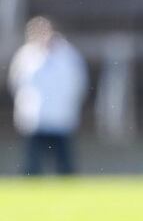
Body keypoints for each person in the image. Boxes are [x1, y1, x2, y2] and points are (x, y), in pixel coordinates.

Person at [7, 16, 89, 175]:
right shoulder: (25, 55)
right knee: (32, 166)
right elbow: (15, 83)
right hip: (34, 118)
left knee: (65, 165)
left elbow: (79, 83)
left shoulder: (68, 55)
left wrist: (69, 104)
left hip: (61, 117)